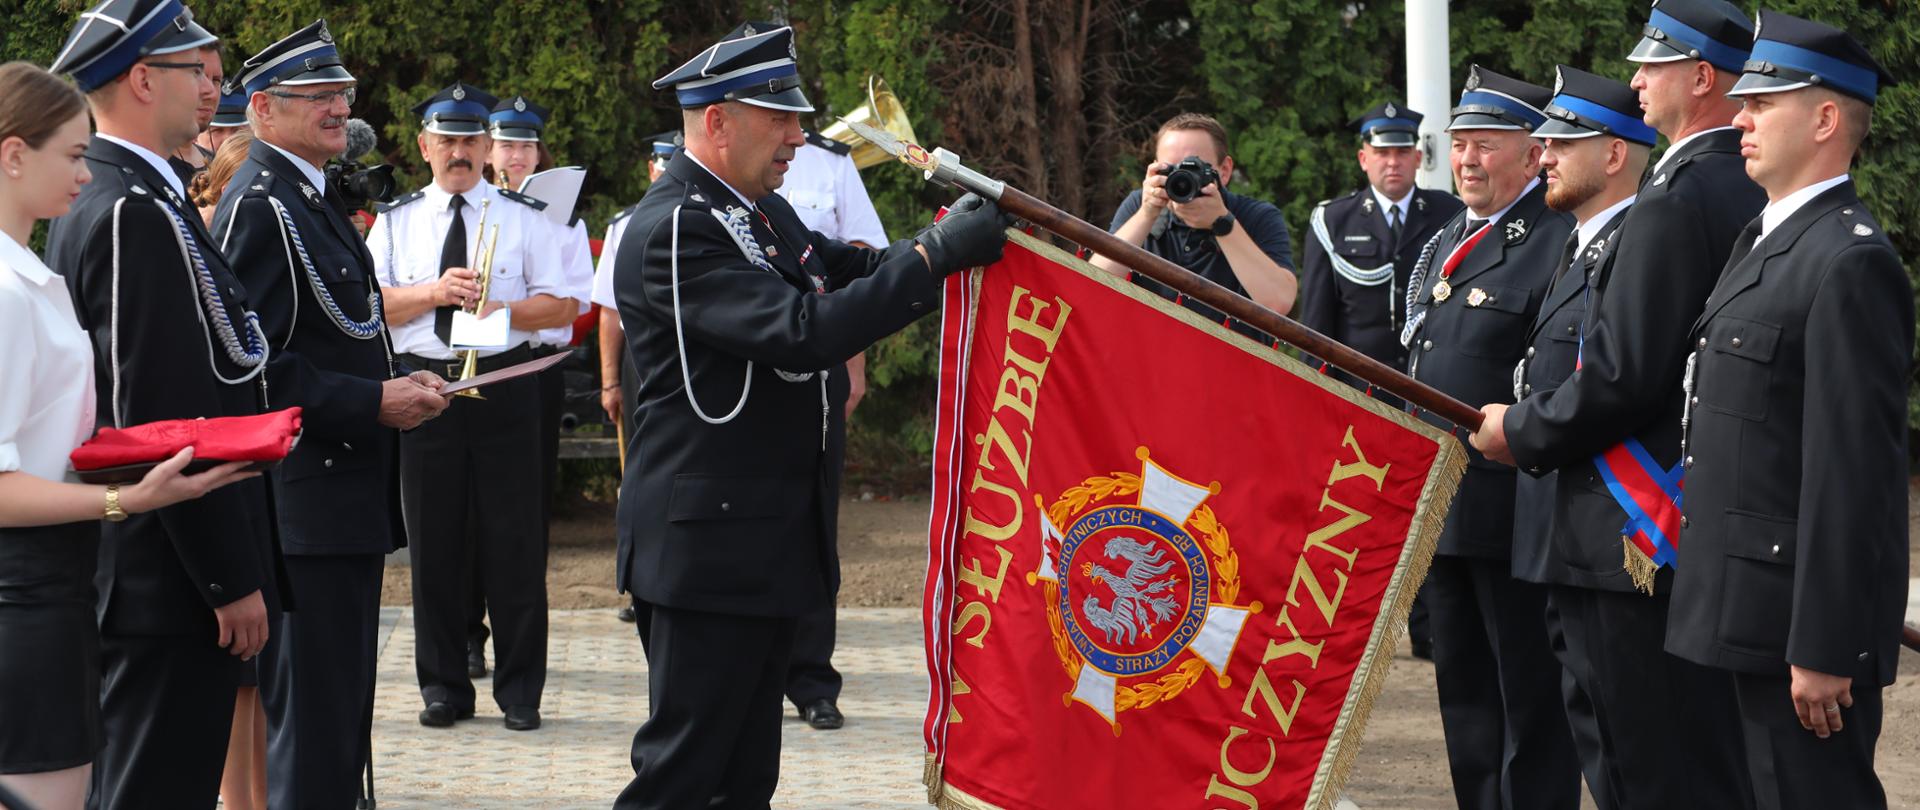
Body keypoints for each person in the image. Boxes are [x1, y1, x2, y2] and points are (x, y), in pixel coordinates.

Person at [613, 23, 1009, 808]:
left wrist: (940, 242)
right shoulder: (677, 226)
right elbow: (804, 328)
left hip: (753, 543)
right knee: (683, 777)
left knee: (744, 779)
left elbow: (842, 268)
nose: (799, 135)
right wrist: (936, 257)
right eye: (779, 118)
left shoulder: (753, 208)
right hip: (706, 554)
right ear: (718, 123)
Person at [1468, 4, 1766, 807]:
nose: (1635, 80)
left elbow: (1627, 374)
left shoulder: (1679, 193)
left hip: (1628, 534)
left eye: (1653, 65)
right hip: (1671, 524)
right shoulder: (1733, 183)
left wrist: (1519, 429)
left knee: (1647, 769)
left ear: (1702, 78)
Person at [46, 2, 288, 806]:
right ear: (142, 80)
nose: (210, 89)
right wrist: (226, 577)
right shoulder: (128, 209)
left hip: (163, 563)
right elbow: (155, 415)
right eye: (196, 72)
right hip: (164, 572)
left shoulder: (149, 197)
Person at [0, 59, 257, 810]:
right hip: (27, 589)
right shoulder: (9, 294)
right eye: (73, 155)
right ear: (13, 155)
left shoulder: (27, 276)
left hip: (55, 585)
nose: (86, 175)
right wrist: (126, 500)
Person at [214, 19, 450, 806]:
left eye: (340, 92)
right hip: (302, 511)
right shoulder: (261, 207)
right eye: (314, 95)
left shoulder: (309, 199)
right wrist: (371, 400)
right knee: (312, 741)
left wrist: (401, 382)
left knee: (338, 731)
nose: (336, 107)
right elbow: (252, 370)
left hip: (340, 504)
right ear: (262, 111)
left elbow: (343, 336)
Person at [1674, 11, 1905, 808]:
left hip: (1795, 636)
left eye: (1763, 103)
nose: (1739, 116)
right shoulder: (1769, 239)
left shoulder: (1849, 260)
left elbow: (1853, 475)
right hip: (1748, 613)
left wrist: (1824, 647)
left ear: (1827, 119)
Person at [1399, 65, 1582, 810]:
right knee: (1467, 703)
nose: (1466, 159)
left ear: (1534, 153)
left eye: (1484, 144)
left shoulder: (1557, 239)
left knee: (1529, 709)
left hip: (1516, 514)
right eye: (1459, 143)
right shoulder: (1451, 233)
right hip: (1445, 510)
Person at [370, 81, 576, 732]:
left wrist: (502, 308)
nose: (458, 152)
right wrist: (433, 292)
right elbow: (370, 305)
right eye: (447, 140)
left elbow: (564, 307)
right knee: (434, 542)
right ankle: (443, 687)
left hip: (506, 382)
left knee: (515, 541)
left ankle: (521, 692)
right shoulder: (396, 221)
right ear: (425, 146)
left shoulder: (524, 217)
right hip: (425, 385)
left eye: (470, 140)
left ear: (488, 148)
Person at [1293, 100, 1462, 661]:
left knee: (1430, 517)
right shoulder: (1333, 220)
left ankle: (1430, 629)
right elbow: (1317, 317)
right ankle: (1349, 640)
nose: (1394, 163)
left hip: (1430, 392)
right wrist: (1321, 396)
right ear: (1363, 158)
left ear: (1418, 157)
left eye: (1403, 152)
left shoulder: (1451, 215)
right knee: (1354, 521)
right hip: (1360, 394)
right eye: (1382, 153)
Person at [467, 93, 591, 681]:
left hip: (535, 369)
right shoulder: (467, 207)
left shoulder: (560, 217)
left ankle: (519, 635)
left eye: (525, 145)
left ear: (539, 153)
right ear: (488, 151)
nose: (516, 156)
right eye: (505, 144)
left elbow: (572, 303)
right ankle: (467, 632)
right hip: (467, 366)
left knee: (522, 510)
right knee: (458, 508)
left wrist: (503, 311)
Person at [775, 124, 891, 731]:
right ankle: (758, 673)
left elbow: (862, 270)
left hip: (820, 372)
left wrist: (855, 366)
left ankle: (813, 680)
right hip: (752, 376)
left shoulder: (830, 163)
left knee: (815, 521)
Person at [1089, 112, 1297, 325]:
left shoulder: (1257, 216)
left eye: (1195, 167)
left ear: (1224, 171)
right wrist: (1147, 213)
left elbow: (1278, 303)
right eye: (1172, 169)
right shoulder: (1141, 206)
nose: (1183, 178)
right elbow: (1092, 283)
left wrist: (1222, 223)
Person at [597, 132, 674, 631]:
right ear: (650, 169)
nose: (669, 172)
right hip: (639, 361)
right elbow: (607, 312)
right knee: (637, 476)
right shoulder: (625, 225)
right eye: (662, 164)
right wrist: (609, 382)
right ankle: (635, 581)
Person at [167, 39, 222, 183]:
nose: (212, 92)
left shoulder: (219, 167)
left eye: (216, 80)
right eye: (197, 74)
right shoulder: (145, 168)